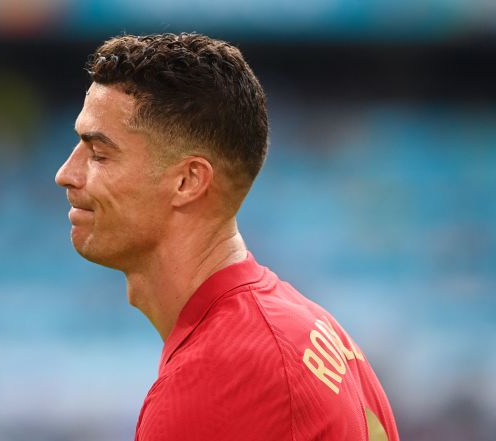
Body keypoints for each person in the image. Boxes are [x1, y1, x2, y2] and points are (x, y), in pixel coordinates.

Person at [55, 33, 399, 441]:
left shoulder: (222, 381)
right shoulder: (306, 329)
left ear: (188, 181)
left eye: (99, 154)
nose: (66, 174)